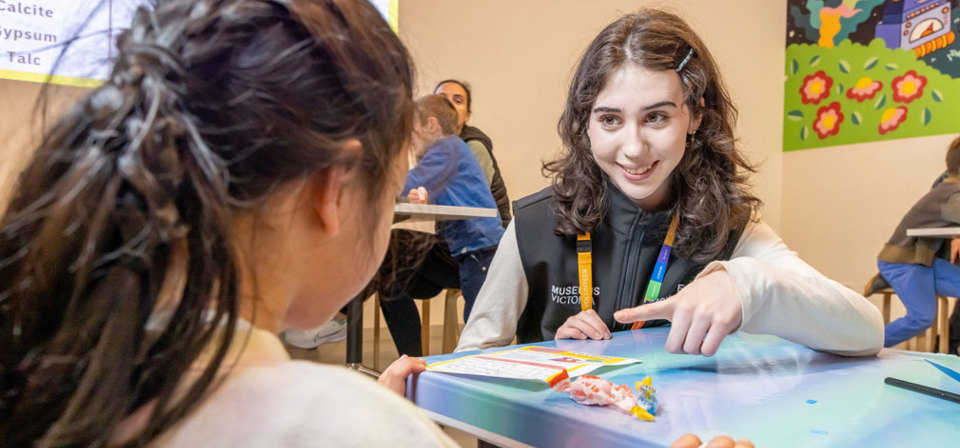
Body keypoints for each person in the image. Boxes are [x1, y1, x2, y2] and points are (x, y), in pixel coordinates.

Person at [0, 0, 463, 448]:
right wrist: (378, 424)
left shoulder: (49, 377)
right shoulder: (370, 437)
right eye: (391, 190)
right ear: (333, 190)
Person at [456, 9, 883, 358]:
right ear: (585, 124)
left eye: (656, 117)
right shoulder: (534, 223)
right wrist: (548, 356)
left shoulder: (729, 229)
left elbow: (865, 329)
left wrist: (747, 284)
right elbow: (470, 360)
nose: (634, 148)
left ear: (695, 116)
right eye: (610, 119)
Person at [377, 95, 504, 356]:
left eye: (412, 132)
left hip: (480, 248)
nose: (411, 141)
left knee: (478, 326)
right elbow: (421, 189)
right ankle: (412, 361)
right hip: (466, 248)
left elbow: (407, 182)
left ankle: (475, 367)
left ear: (431, 125)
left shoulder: (446, 148)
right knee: (391, 274)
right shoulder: (452, 152)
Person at [866, 136, 960, 348]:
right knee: (922, 317)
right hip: (903, 261)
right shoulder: (951, 195)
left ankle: (895, 281)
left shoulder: (949, 190)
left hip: (923, 260)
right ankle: (863, 344)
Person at [434, 79, 511, 227]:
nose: (449, 105)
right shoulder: (433, 149)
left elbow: (468, 200)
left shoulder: (474, 146)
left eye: (458, 100)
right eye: (442, 100)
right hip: (458, 235)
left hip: (487, 238)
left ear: (467, 115)